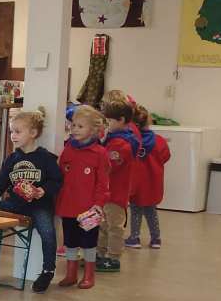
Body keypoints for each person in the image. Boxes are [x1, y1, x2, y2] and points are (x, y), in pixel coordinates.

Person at [0, 109, 62, 293]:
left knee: (48, 232)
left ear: (33, 133)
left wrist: (44, 190)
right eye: (11, 131)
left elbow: (57, 180)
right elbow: (0, 181)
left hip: (39, 206)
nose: (13, 135)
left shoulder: (46, 158)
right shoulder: (12, 159)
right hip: (14, 205)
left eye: (18, 131)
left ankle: (48, 270)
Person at [56, 105, 110, 289]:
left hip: (89, 209)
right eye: (73, 125)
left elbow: (103, 184)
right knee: (70, 242)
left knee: (89, 243)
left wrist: (98, 204)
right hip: (68, 206)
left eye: (80, 126)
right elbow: (61, 174)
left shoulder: (100, 153)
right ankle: (70, 274)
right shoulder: (68, 149)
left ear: (93, 129)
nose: (75, 129)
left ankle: (89, 275)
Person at [97, 100, 138, 272]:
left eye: (109, 121)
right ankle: (100, 254)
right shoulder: (111, 139)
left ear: (121, 120)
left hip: (116, 194)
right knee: (102, 225)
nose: (107, 124)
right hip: (106, 192)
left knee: (114, 227)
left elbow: (110, 165)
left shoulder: (123, 144)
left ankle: (113, 258)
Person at [126, 104, 171, 249]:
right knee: (151, 211)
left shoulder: (131, 141)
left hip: (136, 184)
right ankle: (156, 239)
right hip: (153, 183)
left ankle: (134, 238)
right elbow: (166, 156)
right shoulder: (159, 141)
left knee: (135, 211)